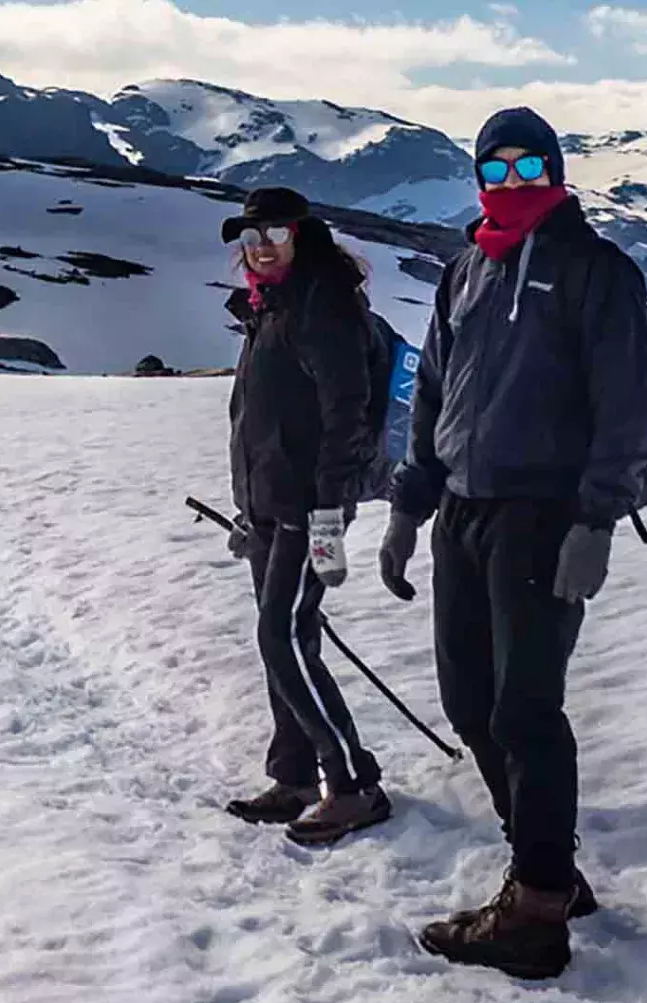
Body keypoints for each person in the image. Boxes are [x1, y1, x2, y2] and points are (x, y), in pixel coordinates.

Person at [377, 107, 647, 979]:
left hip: (545, 516)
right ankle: (546, 864)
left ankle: (536, 912)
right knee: (470, 703)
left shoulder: (593, 271)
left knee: (525, 709)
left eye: (528, 166)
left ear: (556, 169)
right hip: (463, 511)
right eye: (495, 171)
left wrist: (597, 520)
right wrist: (407, 504)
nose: (513, 184)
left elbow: (628, 403)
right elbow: (433, 394)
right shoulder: (465, 269)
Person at [218, 187, 392, 847]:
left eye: (276, 233)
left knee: (282, 638)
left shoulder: (324, 308)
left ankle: (352, 786)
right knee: (289, 640)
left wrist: (326, 513)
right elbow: (260, 422)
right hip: (267, 509)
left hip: (305, 509)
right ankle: (292, 775)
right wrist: (247, 509)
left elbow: (347, 413)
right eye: (251, 236)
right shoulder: (270, 309)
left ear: (304, 236)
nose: (261, 246)